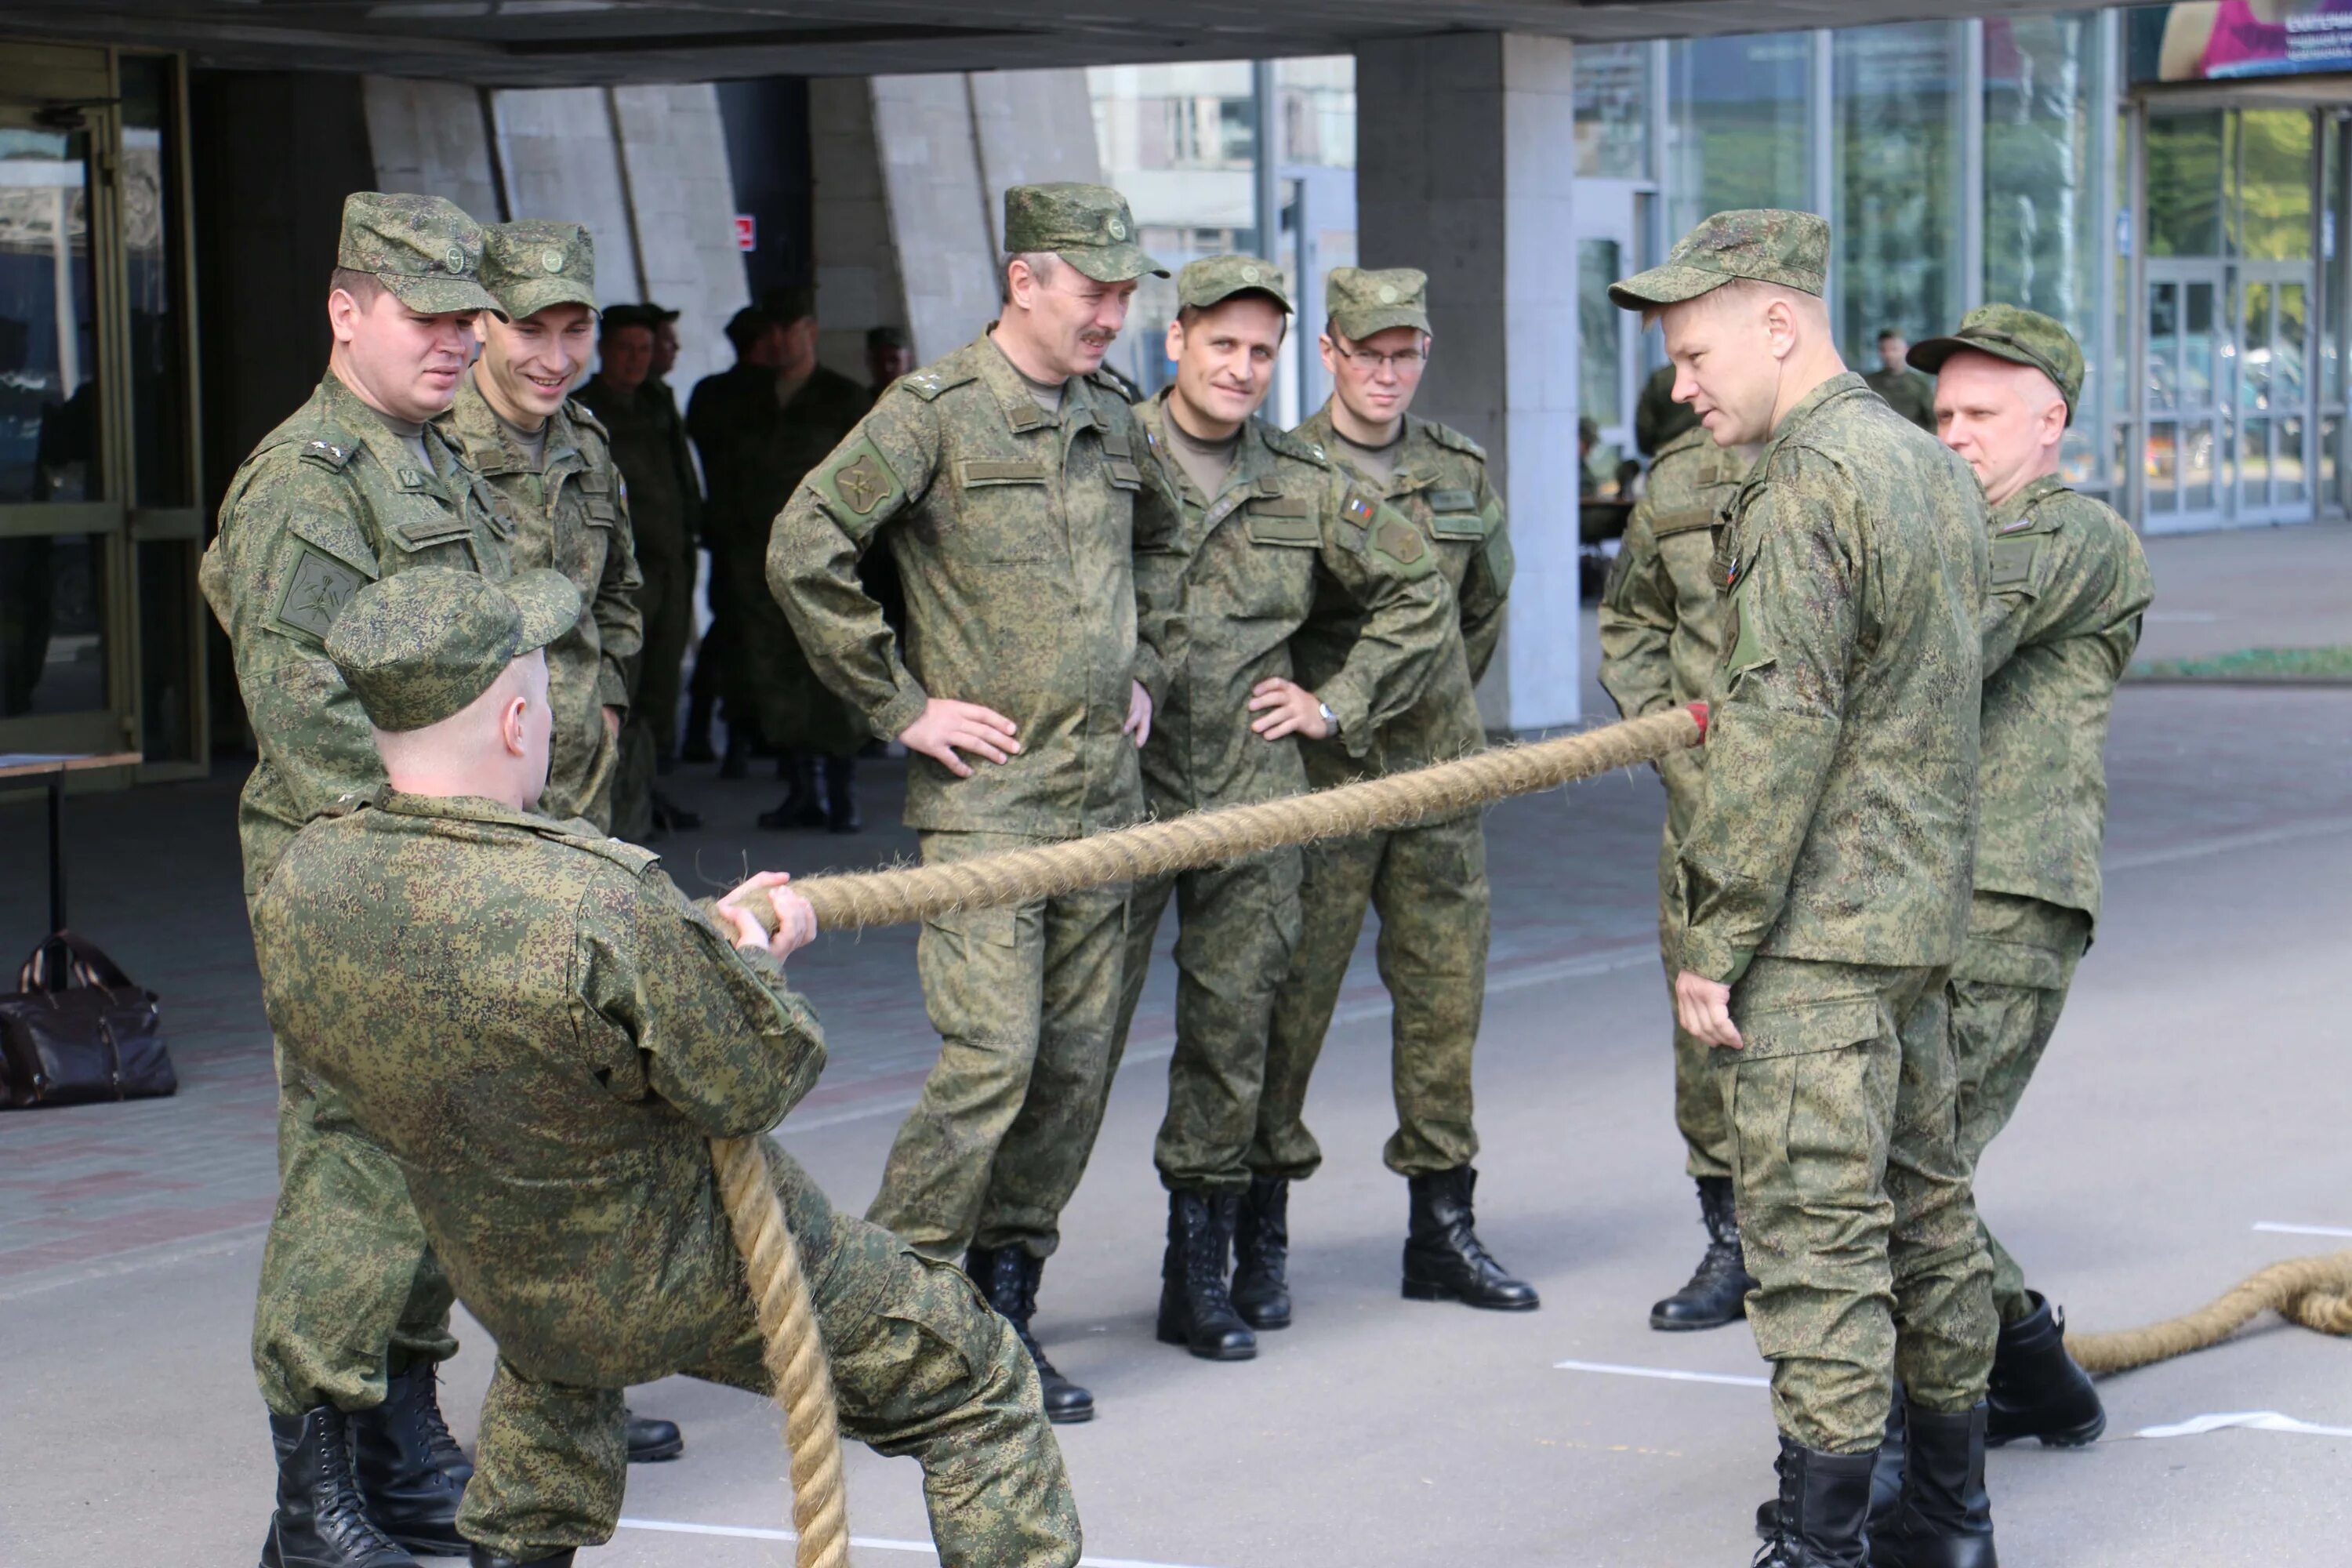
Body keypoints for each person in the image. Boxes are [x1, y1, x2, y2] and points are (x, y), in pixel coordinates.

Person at [250, 565, 1082, 1568]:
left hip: (509, 1273)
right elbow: (758, 1078)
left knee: (547, 1417)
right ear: (517, 723)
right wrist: (750, 967)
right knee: (978, 1377)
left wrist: (685, 959)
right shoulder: (597, 902)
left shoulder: (305, 879)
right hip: (683, 1266)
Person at [1609, 210, 1996, 1568]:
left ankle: (1817, 1546)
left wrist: (1714, 938)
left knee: (1816, 1246)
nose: (1681, 384)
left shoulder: (1808, 482)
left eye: (1698, 350)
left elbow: (1779, 732)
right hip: (1917, 920)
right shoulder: (1929, 466)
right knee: (1932, 1220)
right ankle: (1949, 1520)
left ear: (1780, 323)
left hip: (1820, 944)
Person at [768, 182, 1183, 1423]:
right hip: (990, 809)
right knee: (990, 1066)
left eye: (1124, 293)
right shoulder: (933, 414)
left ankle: (1005, 1314)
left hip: (1103, 802)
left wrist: (1145, 662)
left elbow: (1163, 543)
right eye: (1092, 291)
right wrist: (898, 707)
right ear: (1025, 281)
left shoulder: (1114, 417)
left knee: (1069, 1076)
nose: (1112, 315)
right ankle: (877, 1324)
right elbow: (806, 546)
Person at [199, 191, 506, 1566]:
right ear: (346, 311)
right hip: (356, 882)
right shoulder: (307, 481)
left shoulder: (431, 463)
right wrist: (443, 860)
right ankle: (310, 1498)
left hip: (447, 873)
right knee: (353, 1170)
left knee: (435, 1162)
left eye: (466, 320)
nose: (457, 343)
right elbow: (311, 716)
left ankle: (399, 1438)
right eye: (428, 318)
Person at [1112, 256, 1451, 1359]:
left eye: (1261, 351)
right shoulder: (1108, 457)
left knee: (1231, 1039)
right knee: (1067, 1049)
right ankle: (1003, 1285)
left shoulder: (1302, 479)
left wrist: (1336, 702)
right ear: (1177, 342)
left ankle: (1197, 1275)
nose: (1243, 369)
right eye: (1224, 345)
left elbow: (1420, 588)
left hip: (1256, 795)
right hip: (1115, 793)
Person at [1248, 266, 1532, 1319]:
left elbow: (1484, 601)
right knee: (1293, 1001)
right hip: (1324, 781)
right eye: (1367, 354)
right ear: (1328, 354)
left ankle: (1442, 1226)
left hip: (1440, 774)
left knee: (1444, 1001)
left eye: (1404, 355)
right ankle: (1258, 1225)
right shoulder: (1283, 471)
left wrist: (1430, 696)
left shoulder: (1457, 466)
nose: (1386, 374)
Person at [1911, 305, 2152, 1450]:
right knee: (1907, 1165)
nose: (1952, 432)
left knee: (1910, 1170)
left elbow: (1947, 650)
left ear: (2049, 421)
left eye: (1981, 413)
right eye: (1942, 411)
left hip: (2011, 893)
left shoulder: (2072, 533)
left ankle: (1933, 1431)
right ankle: (2040, 1374)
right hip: (1920, 892)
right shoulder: (1950, 533)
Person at [1596, 373, 1760, 1335]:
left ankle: (1847, 1237)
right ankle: (1731, 1233)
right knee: (1706, 1032)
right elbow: (1631, 618)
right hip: (1705, 813)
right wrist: (1668, 738)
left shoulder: (1851, 465)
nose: (1689, 379)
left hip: (1833, 812)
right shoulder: (1680, 480)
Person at [438, 222, 640, 833]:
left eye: (576, 331)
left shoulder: (587, 444)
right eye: (529, 331)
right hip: (466, 797)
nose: (556, 361)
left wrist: (606, 705)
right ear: (479, 322)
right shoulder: (432, 444)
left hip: (582, 790)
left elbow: (618, 592)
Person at [572, 307, 699, 839]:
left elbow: (680, 472)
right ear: (603, 350)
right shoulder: (584, 408)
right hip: (623, 571)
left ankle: (643, 792)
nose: (635, 361)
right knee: (622, 679)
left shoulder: (657, 401)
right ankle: (618, 804)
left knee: (660, 685)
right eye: (625, 349)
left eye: (645, 350)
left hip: (671, 563)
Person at [683, 305, 785, 772]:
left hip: (729, 531)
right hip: (754, 533)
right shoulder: (768, 394)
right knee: (750, 634)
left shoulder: (710, 392)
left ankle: (711, 729)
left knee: (726, 632)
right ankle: (748, 729)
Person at [1864, 327, 1936, 432]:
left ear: (1905, 350)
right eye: (1884, 350)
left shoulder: (1919, 385)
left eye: (1894, 349)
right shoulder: (1868, 384)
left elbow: (1933, 423)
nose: (1889, 355)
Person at [866, 322, 914, 394]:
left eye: (894, 360)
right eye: (879, 361)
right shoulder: (862, 401)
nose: (887, 368)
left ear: (908, 359)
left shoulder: (922, 397)